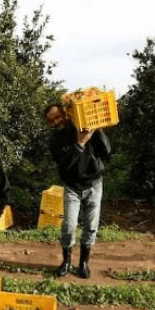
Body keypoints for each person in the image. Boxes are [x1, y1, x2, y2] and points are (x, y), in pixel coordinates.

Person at [44, 103, 111, 278]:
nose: (56, 121)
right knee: (69, 226)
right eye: (51, 120)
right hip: (72, 186)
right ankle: (66, 261)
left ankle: (83, 263)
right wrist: (80, 143)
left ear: (65, 114)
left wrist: (97, 130)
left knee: (91, 227)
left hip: (93, 184)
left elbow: (106, 151)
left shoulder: (83, 127)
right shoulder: (55, 141)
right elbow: (65, 164)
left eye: (57, 116)